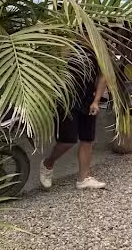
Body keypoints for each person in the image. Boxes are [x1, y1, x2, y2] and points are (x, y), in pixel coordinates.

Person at [39, 50, 107, 191]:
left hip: (87, 98)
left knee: (87, 139)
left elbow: (103, 76)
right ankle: (48, 164)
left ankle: (83, 179)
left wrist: (96, 101)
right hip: (65, 98)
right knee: (67, 140)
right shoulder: (65, 45)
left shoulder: (97, 48)